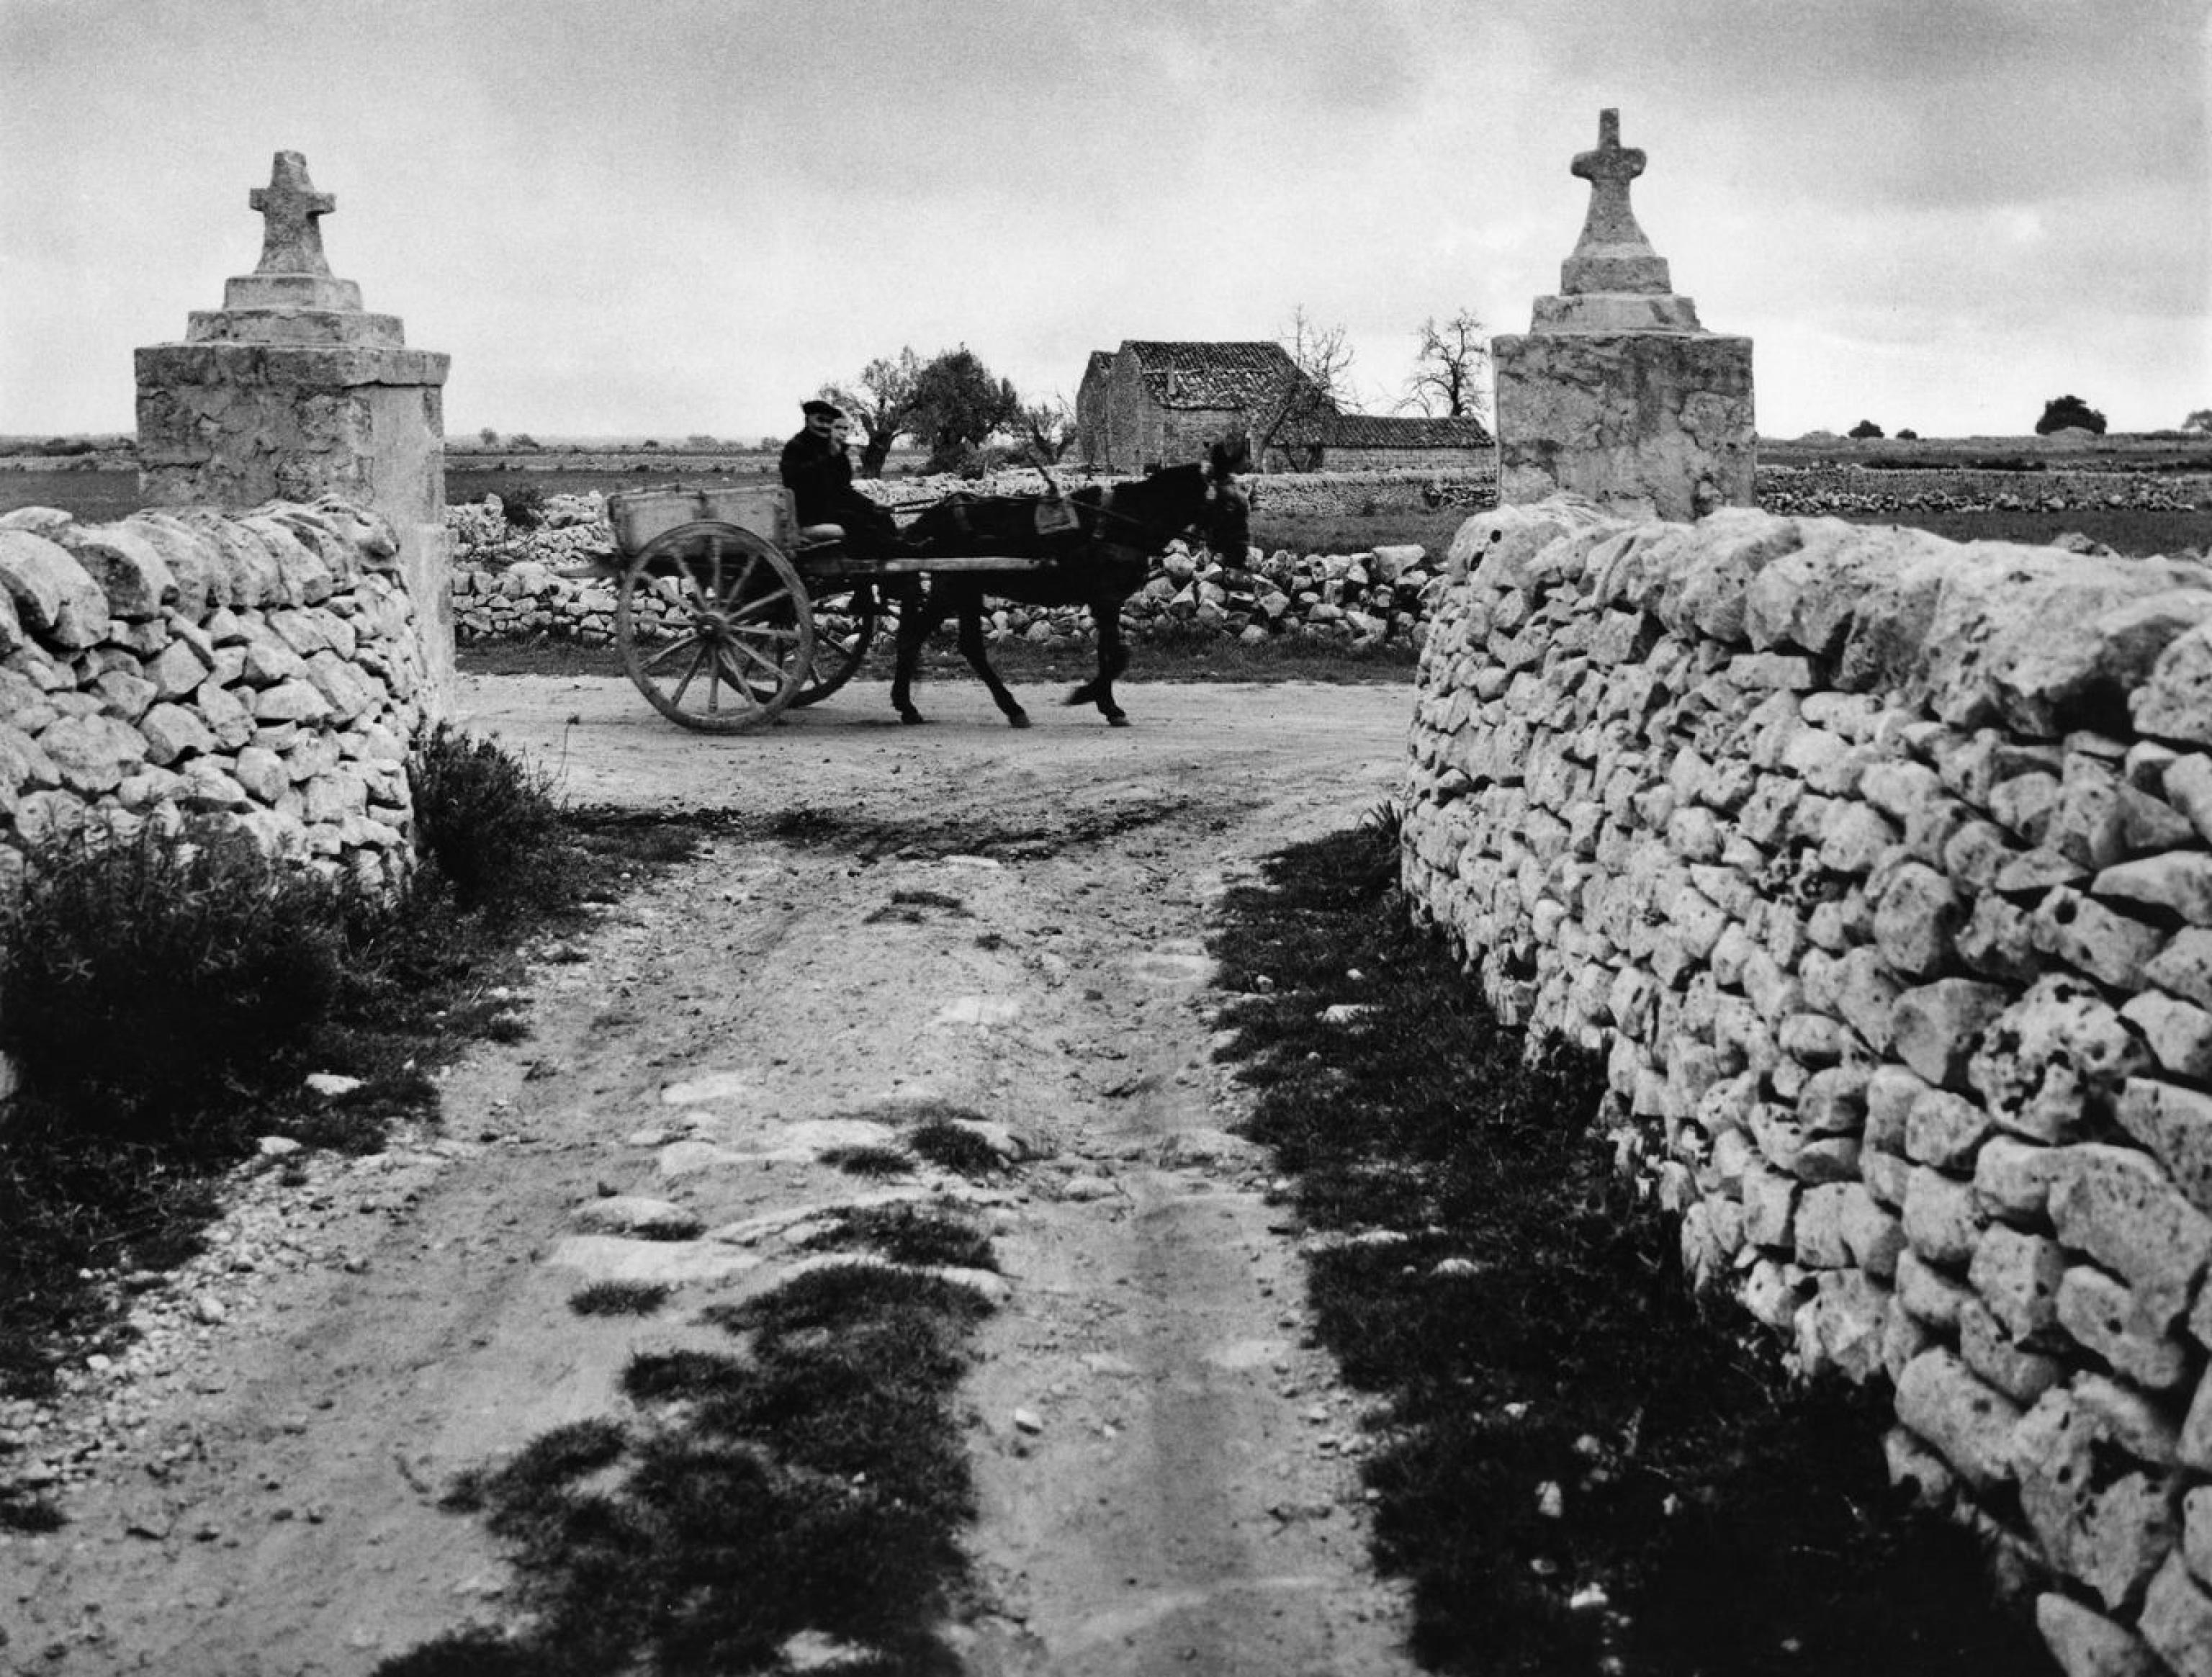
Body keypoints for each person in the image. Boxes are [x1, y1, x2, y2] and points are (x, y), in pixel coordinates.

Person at [778, 399, 907, 558]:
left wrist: (872, 505)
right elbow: (800, 482)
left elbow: (843, 490)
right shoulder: (796, 447)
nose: (824, 426)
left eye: (828, 422)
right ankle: (895, 553)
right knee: (856, 522)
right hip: (809, 514)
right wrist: (828, 458)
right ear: (808, 420)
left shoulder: (831, 449)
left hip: (830, 509)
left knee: (881, 518)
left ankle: (899, 556)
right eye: (820, 420)